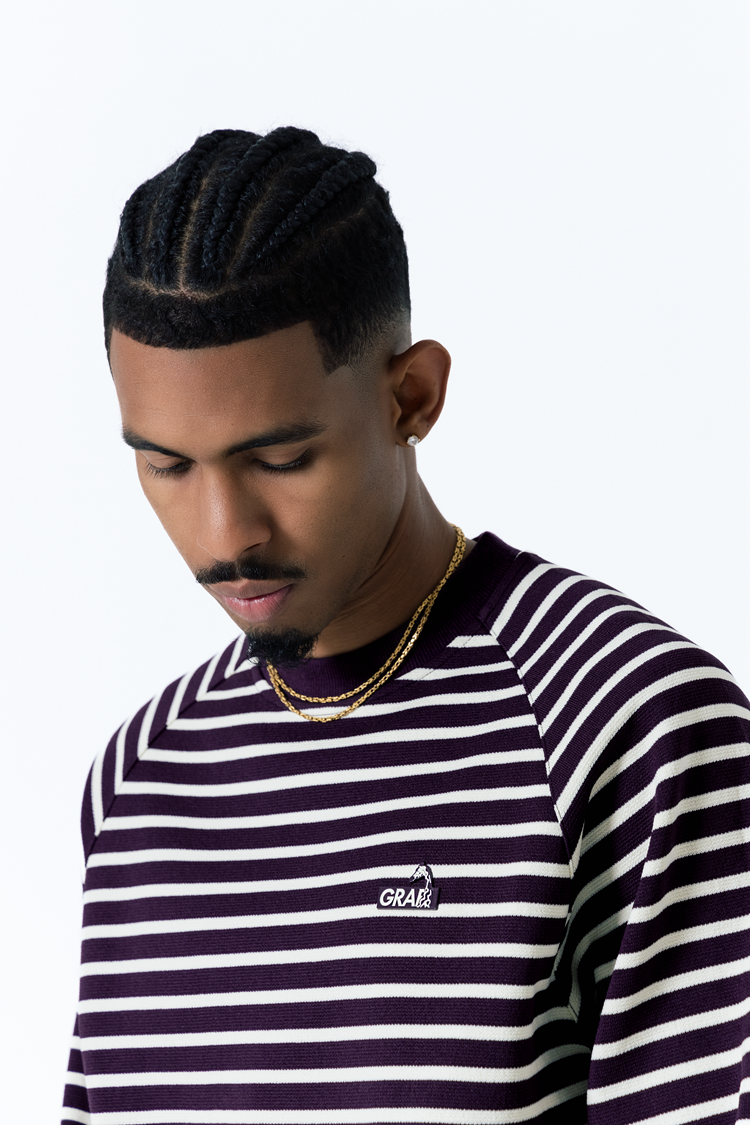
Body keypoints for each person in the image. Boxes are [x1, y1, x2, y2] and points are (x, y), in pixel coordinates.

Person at [62, 127, 750, 1125]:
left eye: (281, 460)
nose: (224, 534)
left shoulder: (630, 728)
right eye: (166, 465)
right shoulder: (140, 780)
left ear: (410, 397)